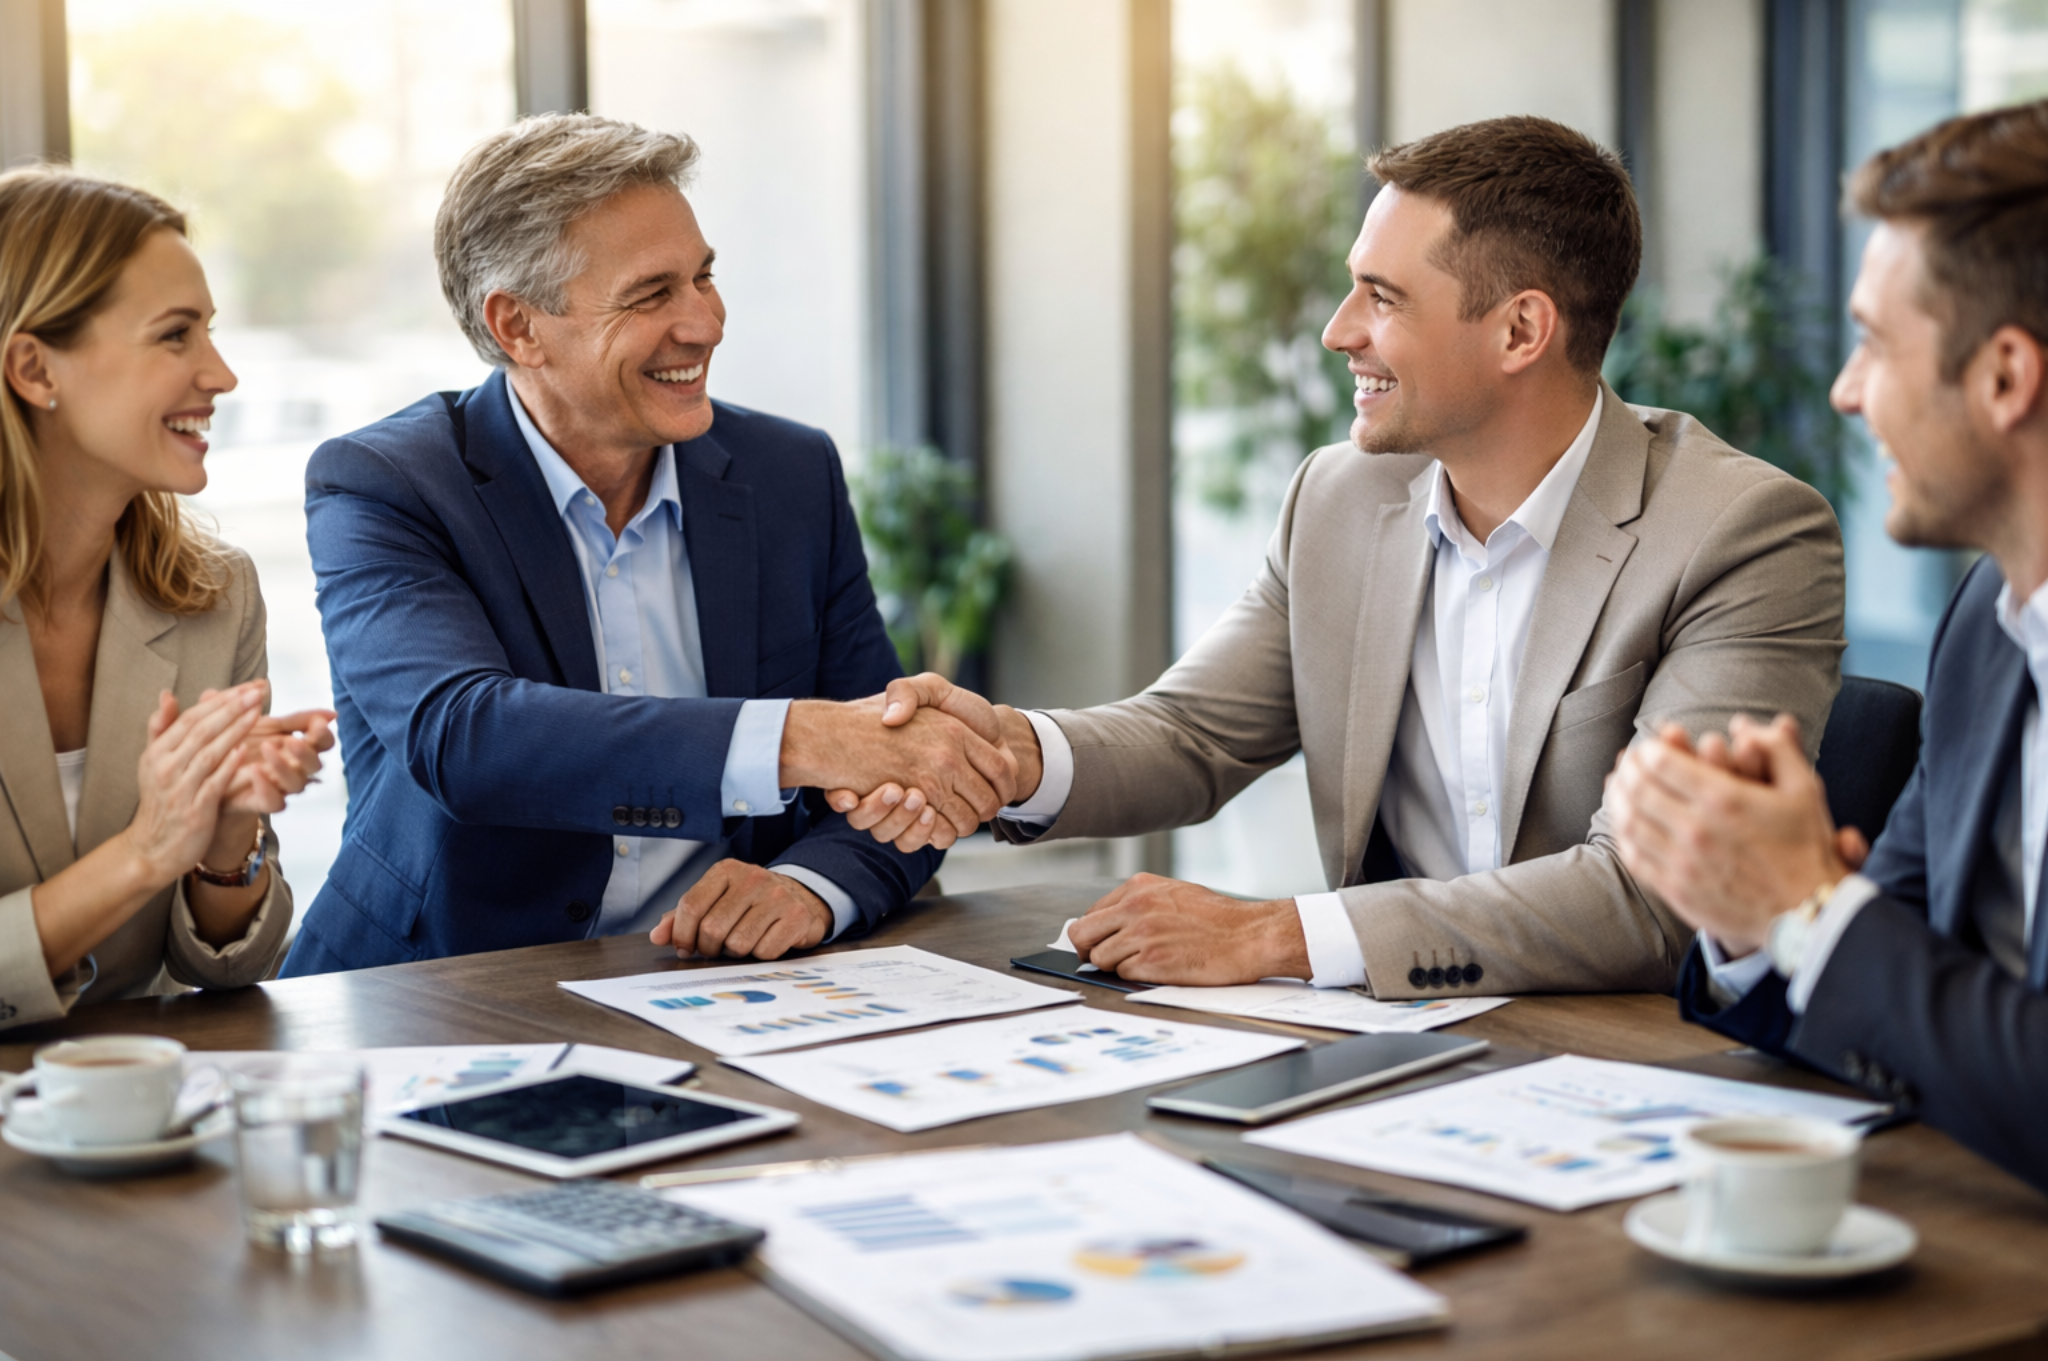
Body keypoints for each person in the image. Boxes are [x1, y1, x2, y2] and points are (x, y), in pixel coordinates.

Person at [832, 116, 1846, 996]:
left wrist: (1278, 932)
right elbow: (1192, 737)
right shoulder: (1340, 497)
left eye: (1381, 297)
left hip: (1621, 1057)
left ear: (1519, 329)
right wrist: (1011, 757)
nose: (1335, 332)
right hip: (1388, 1033)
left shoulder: (1740, 532)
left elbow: (1655, 890)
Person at [282, 115, 1016, 975]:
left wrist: (810, 887)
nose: (704, 323)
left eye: (703, 278)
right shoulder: (387, 482)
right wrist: (798, 739)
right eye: (651, 294)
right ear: (519, 327)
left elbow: (891, 769)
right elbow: (467, 736)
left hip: (713, 995)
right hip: (433, 994)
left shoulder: (790, 474)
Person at [1608, 100, 2048, 1193]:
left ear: (2002, 377)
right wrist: (1745, 911)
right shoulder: (1985, 629)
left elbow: (1857, 945)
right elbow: (1887, 961)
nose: (1845, 393)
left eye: (1870, 343)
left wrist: (1804, 908)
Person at [0, 168, 332, 1028]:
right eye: (175, 336)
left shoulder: (216, 596)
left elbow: (229, 970)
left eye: (210, 333)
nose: (220, 375)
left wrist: (225, 845)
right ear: (35, 368)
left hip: (144, 1112)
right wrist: (148, 850)